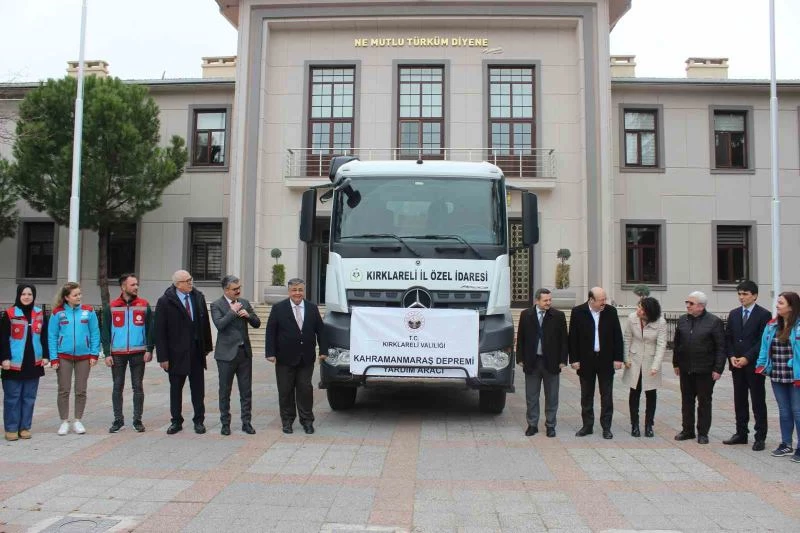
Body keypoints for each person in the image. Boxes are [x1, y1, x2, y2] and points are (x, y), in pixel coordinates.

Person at [265, 278, 327, 435]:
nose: (297, 293)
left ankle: (307, 421)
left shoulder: (312, 308)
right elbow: (271, 331)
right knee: (285, 391)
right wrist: (270, 353)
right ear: (289, 291)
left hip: (306, 358)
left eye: (300, 290)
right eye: (294, 290)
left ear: (304, 291)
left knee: (305, 390)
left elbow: (321, 330)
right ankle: (287, 421)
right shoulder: (279, 308)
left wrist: (323, 351)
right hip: (284, 358)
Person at [155, 270, 213, 435]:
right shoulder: (166, 301)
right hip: (175, 354)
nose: (190, 283)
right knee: (176, 389)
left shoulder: (198, 297)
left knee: (198, 389)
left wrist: (207, 346)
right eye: (187, 281)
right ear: (177, 284)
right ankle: (176, 421)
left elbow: (205, 323)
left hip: (195, 351)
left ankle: (199, 421)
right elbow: (160, 331)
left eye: (191, 279)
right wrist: (163, 357)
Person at [101, 273, 154, 434]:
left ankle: (137, 420)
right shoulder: (111, 306)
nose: (136, 287)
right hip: (117, 353)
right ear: (123, 287)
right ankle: (118, 420)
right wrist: (107, 353)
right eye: (132, 285)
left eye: (137, 284)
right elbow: (106, 331)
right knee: (118, 386)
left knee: (138, 386)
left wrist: (149, 349)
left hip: (139, 352)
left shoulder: (144, 305)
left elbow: (151, 329)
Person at [569, 287, 624, 439]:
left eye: (605, 299)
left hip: (605, 360)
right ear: (591, 300)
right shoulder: (578, 312)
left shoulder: (610, 312)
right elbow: (573, 337)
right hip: (586, 360)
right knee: (586, 395)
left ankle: (606, 427)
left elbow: (617, 336)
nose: (604, 303)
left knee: (606, 395)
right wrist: (574, 359)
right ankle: (587, 426)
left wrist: (618, 358)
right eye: (601, 300)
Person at [723, 280, 771, 451]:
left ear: (755, 296)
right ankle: (741, 433)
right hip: (737, 365)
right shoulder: (734, 314)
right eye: (739, 294)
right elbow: (728, 338)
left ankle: (760, 436)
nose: (741, 297)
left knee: (758, 400)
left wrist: (747, 358)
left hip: (753, 365)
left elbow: (762, 341)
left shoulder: (764, 314)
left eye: (745, 294)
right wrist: (731, 356)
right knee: (739, 399)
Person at [211, 275, 261, 436]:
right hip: (226, 355)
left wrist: (249, 316)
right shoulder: (216, 305)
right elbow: (220, 325)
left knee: (246, 391)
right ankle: (225, 423)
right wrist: (232, 312)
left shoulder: (244, 303)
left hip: (244, 354)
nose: (238, 291)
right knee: (225, 391)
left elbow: (257, 323)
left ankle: (246, 423)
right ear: (226, 290)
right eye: (235, 289)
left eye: (239, 288)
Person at [673, 291, 725, 444]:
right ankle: (687, 430)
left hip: (705, 369)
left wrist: (718, 368)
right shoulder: (682, 320)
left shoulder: (714, 322)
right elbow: (677, 344)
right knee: (687, 400)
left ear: (701, 306)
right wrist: (676, 363)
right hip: (686, 368)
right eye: (687, 303)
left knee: (704, 401)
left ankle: (703, 432)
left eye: (691, 303)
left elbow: (721, 347)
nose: (687, 306)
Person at [48, 282, 101, 435]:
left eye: (80, 294)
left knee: (81, 390)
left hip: (84, 357)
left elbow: (95, 333)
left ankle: (78, 420)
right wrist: (54, 358)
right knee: (63, 389)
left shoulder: (88, 311)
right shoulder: (57, 313)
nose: (79, 297)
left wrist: (94, 354)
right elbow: (52, 336)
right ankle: (64, 421)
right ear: (66, 297)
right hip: (63, 356)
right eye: (75, 295)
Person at [515, 288, 568, 437]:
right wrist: (520, 358)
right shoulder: (526, 315)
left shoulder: (558, 316)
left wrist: (563, 360)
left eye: (550, 300)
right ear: (537, 300)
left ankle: (550, 425)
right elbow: (521, 338)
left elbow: (564, 340)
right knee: (532, 396)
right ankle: (532, 424)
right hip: (532, 362)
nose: (548, 303)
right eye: (545, 300)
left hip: (551, 362)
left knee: (552, 396)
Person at [0, 284, 49, 441]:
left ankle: (25, 427)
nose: (27, 297)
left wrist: (46, 355)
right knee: (12, 397)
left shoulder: (39, 314)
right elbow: (2, 338)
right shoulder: (9, 314)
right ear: (18, 296)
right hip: (13, 363)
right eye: (23, 294)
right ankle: (11, 428)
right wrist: (4, 358)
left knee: (29, 397)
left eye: (29, 294)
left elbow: (44, 337)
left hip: (33, 363)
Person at [755, 291, 800, 462]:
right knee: (784, 411)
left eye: (780, 303)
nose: (777, 306)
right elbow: (764, 348)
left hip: (796, 376)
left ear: (791, 307)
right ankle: (786, 444)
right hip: (777, 374)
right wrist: (761, 366)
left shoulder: (798, 326)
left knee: (798, 411)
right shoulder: (772, 325)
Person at [622, 297, 667, 438]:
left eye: (642, 309)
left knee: (651, 393)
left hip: (650, 360)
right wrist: (626, 358)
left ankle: (649, 425)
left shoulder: (660, 322)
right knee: (634, 392)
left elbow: (661, 345)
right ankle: (634, 424)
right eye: (638, 307)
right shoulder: (632, 318)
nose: (638, 310)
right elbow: (627, 338)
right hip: (634, 359)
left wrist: (656, 366)